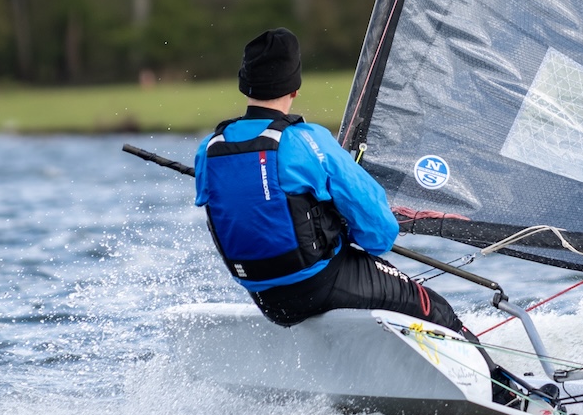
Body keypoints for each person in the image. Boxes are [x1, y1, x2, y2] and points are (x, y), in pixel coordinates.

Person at [193, 27, 473, 335]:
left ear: (244, 85)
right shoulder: (308, 141)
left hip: (265, 297)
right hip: (320, 283)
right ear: (295, 89)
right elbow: (379, 234)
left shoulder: (209, 148)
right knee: (435, 308)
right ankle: (490, 366)